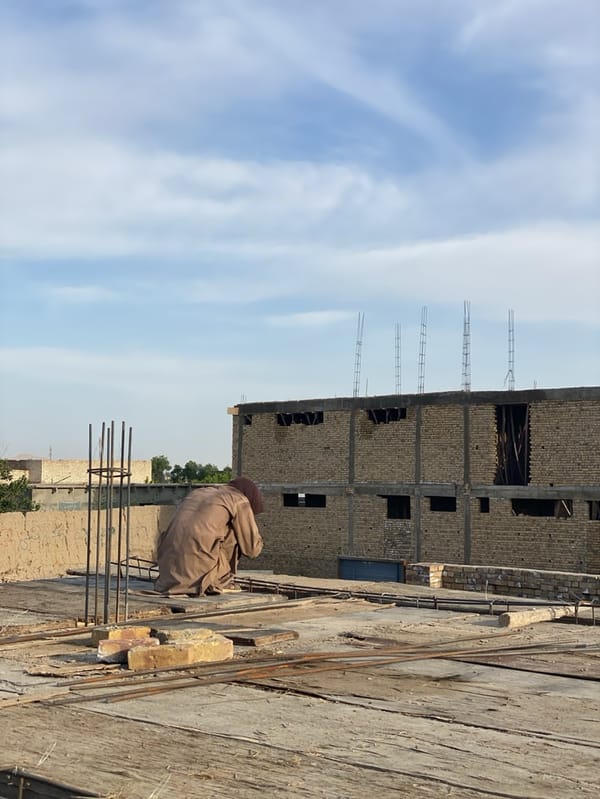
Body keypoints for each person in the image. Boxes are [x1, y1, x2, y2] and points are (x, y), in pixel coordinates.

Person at [154, 476, 264, 596]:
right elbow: (252, 550)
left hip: (167, 578)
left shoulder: (197, 493)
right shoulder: (239, 500)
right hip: (199, 580)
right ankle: (220, 581)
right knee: (234, 531)